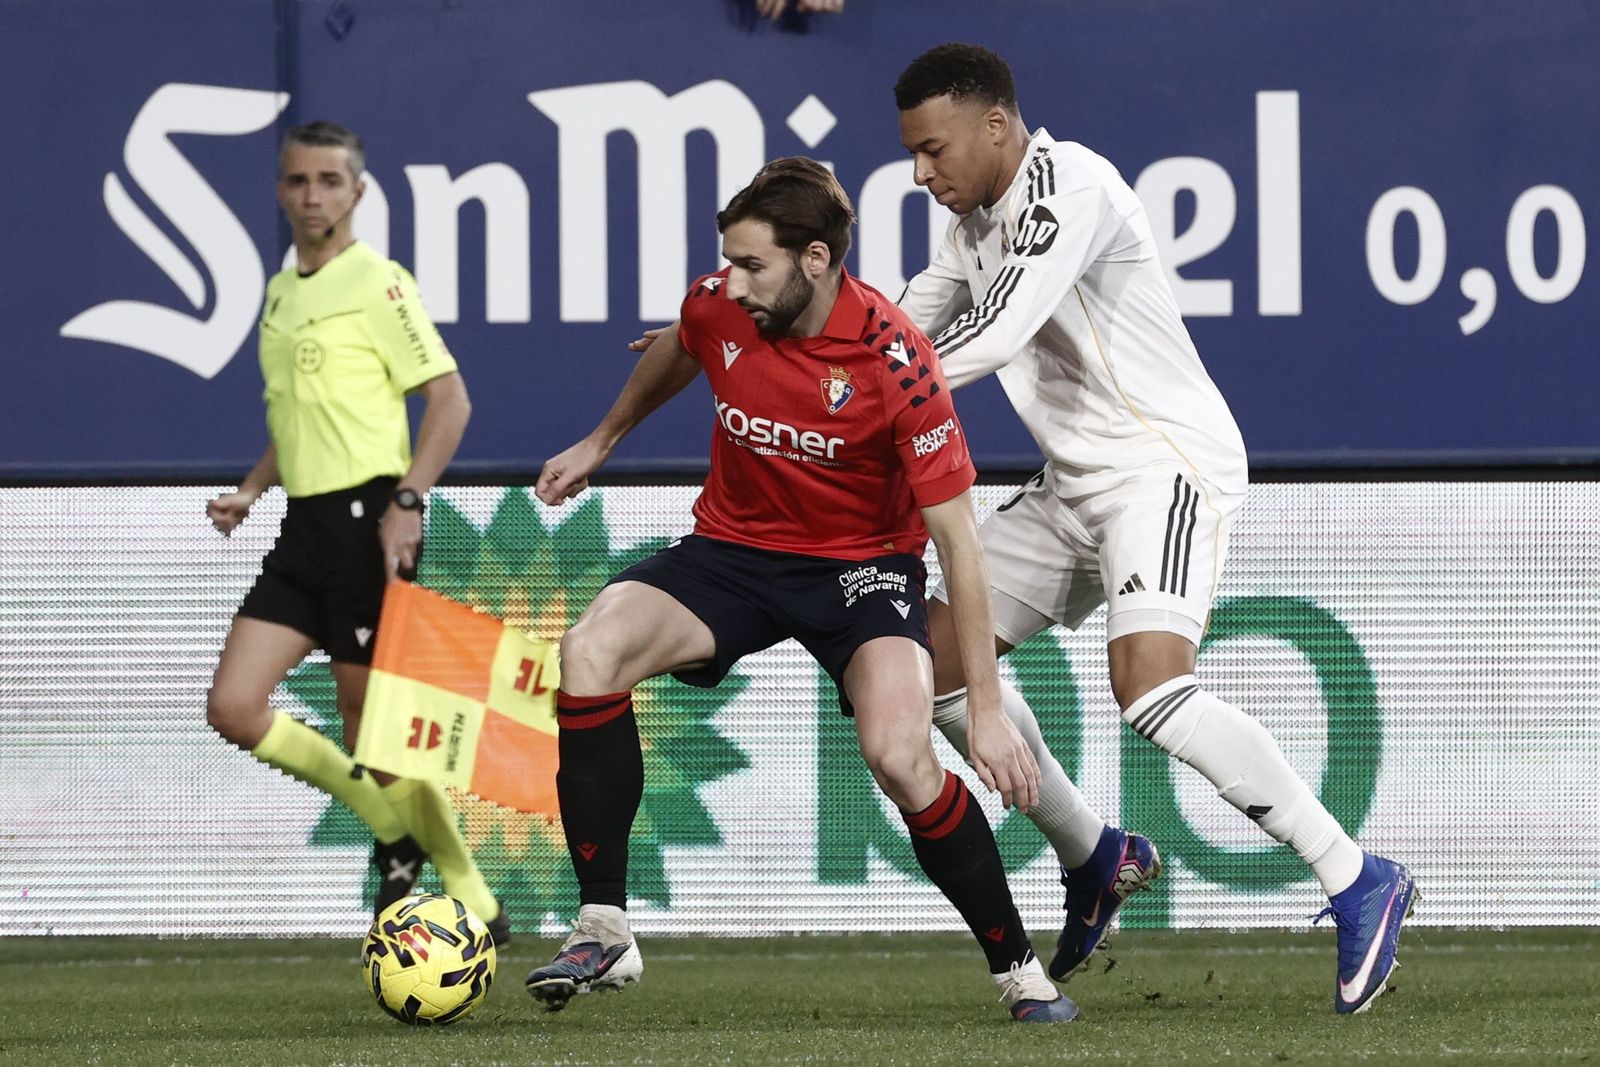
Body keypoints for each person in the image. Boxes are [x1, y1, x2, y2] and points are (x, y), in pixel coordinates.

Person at [891, 44, 1416, 1015]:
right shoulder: (969, 232)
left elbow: (986, 338)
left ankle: (1356, 875)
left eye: (933, 149)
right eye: (915, 156)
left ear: (994, 125)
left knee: (1150, 685)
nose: (923, 173)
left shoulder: (1069, 186)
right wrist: (754, 344)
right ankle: (1095, 851)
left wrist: (862, 390)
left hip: (1159, 468)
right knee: (929, 659)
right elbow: (890, 331)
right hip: (1071, 487)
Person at [529, 157, 1076, 1023]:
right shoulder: (724, 302)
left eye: (754, 266)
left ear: (815, 260)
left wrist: (986, 706)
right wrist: (604, 438)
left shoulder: (898, 364)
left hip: (861, 571)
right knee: (590, 650)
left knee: (900, 755)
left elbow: (961, 549)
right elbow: (686, 334)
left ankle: (1017, 969)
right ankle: (604, 923)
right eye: (730, 263)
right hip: (733, 553)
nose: (731, 282)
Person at [204, 121, 508, 944]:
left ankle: (470, 894)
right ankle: (390, 828)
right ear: (280, 190)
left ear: (357, 191)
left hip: (368, 520)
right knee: (233, 705)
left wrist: (408, 500)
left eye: (329, 181)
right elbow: (295, 416)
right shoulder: (281, 289)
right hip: (304, 524)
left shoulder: (379, 282)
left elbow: (450, 401)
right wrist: (251, 489)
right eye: (299, 181)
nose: (312, 195)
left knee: (377, 729)